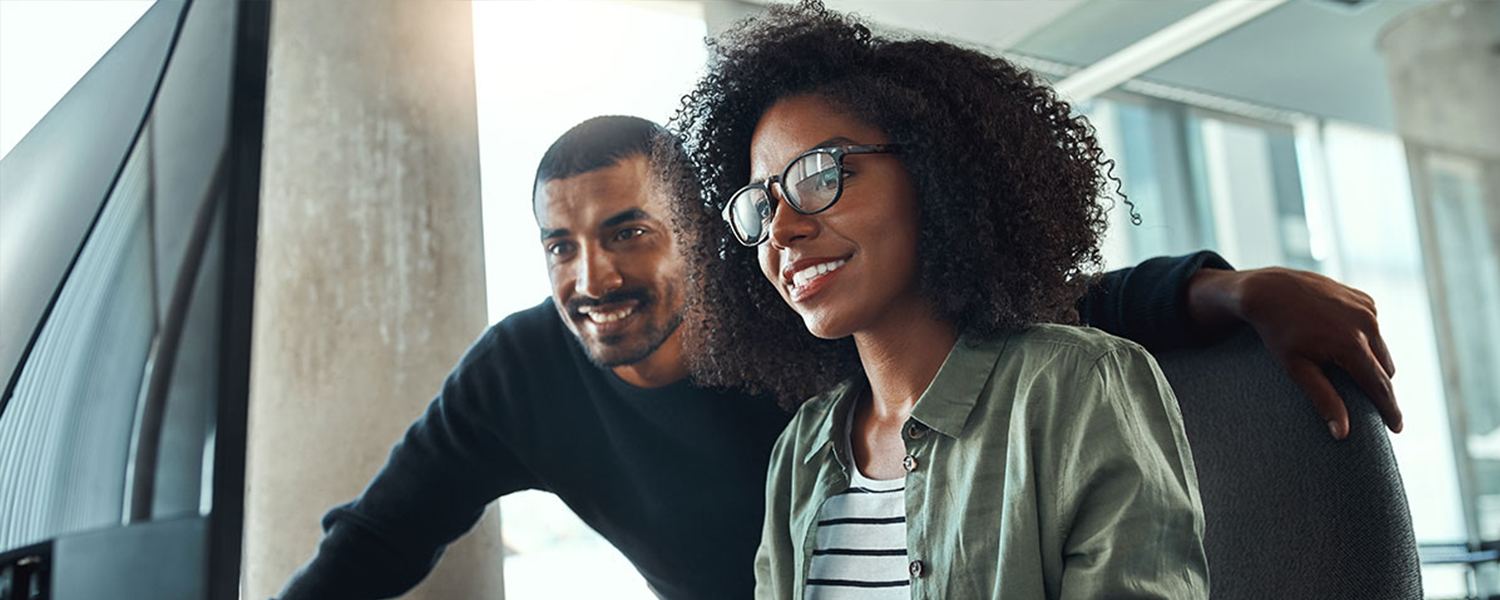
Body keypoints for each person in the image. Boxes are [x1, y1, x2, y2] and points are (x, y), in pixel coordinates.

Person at [275, 112, 1399, 597]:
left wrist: (1236, 290)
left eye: (627, 233)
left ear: (706, 242)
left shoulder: (802, 319)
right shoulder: (518, 373)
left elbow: (1059, 310)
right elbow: (375, 542)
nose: (592, 280)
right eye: (559, 246)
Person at [666, 4, 1219, 597]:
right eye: (763, 201)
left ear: (934, 172)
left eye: (822, 176)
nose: (781, 231)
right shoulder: (802, 447)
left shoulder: (1077, 385)